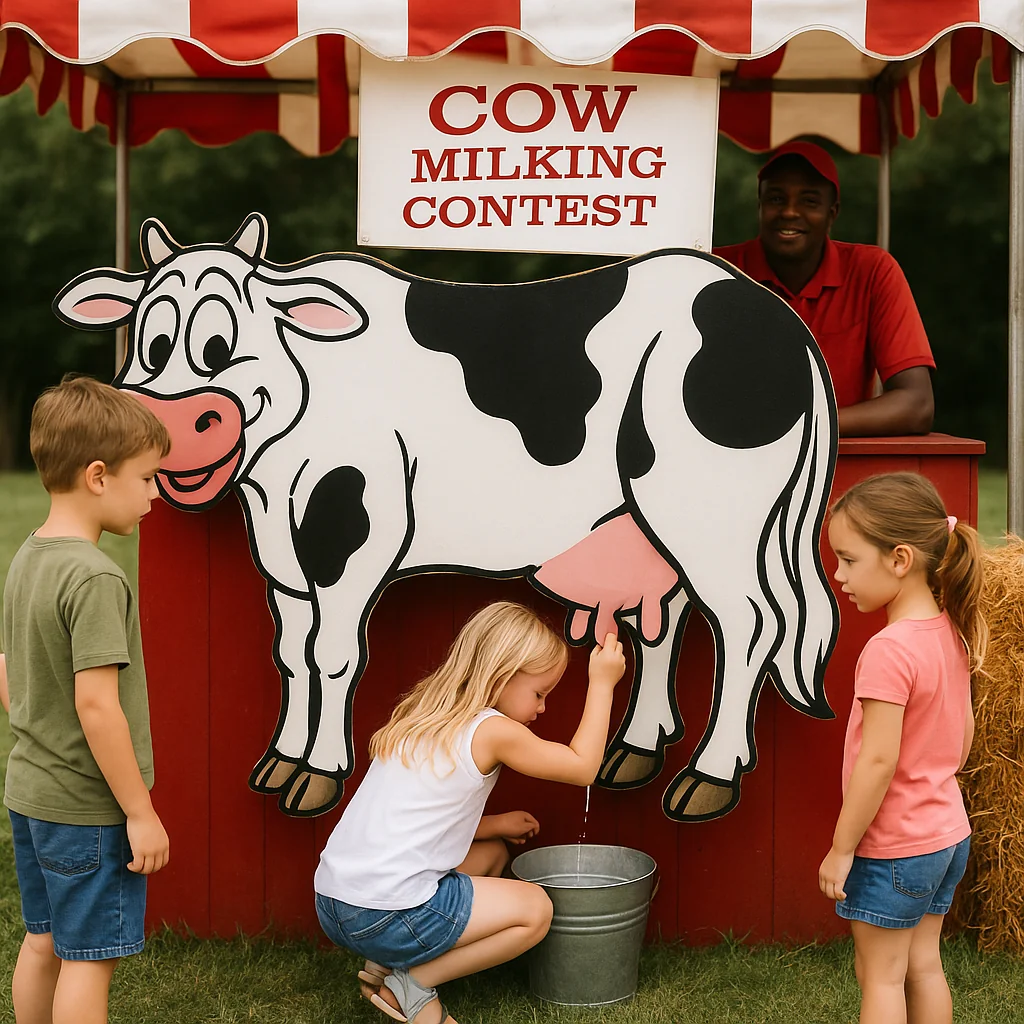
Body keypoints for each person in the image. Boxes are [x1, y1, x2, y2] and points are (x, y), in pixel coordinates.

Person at [314, 601, 626, 1024]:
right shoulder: (492, 730)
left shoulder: (426, 713)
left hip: (335, 902)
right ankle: (413, 984)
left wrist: (495, 825)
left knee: (493, 853)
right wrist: (603, 682)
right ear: (502, 674)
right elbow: (583, 767)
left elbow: (415, 819)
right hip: (386, 914)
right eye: (539, 693)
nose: (542, 708)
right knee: (536, 912)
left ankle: (383, 962)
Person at [1, 375, 172, 1024]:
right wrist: (139, 812)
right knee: (88, 959)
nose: (154, 494)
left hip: (30, 794)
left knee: (43, 941)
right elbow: (97, 707)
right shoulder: (96, 577)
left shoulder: (29, 555)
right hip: (87, 810)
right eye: (147, 478)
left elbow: (11, 671)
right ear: (98, 476)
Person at [819, 472, 985, 1024]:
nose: (839, 575)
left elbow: (879, 760)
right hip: (946, 835)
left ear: (899, 559)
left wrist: (842, 848)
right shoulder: (950, 631)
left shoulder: (888, 650)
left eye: (848, 560)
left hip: (896, 847)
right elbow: (962, 740)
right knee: (923, 966)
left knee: (881, 977)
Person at [714, 141, 936, 438]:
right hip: (729, 452)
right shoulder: (717, 269)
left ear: (833, 213)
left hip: (839, 457)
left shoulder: (872, 271)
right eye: (776, 198)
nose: (789, 212)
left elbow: (917, 405)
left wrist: (803, 428)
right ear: (760, 206)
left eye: (809, 201)